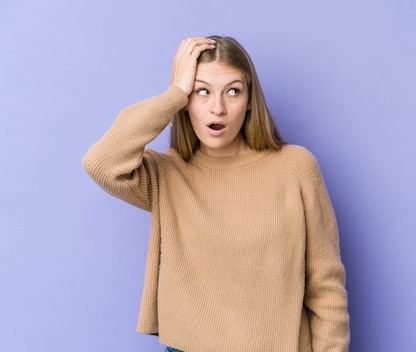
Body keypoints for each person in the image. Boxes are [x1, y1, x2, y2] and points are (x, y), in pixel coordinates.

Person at [82, 36, 350, 351]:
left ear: (250, 100)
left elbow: (326, 286)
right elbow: (101, 162)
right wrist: (174, 94)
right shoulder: (167, 174)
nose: (218, 108)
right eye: (202, 92)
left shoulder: (296, 167)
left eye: (232, 91)